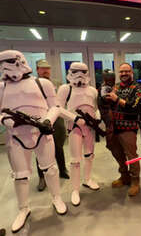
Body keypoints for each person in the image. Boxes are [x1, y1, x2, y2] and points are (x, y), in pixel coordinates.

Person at [0, 50, 79, 232]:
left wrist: (47, 121)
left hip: (42, 133)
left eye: (9, 61)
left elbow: (55, 107)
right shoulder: (2, 86)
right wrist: (5, 119)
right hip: (16, 136)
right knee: (20, 175)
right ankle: (23, 209)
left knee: (50, 169)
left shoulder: (42, 84)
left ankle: (56, 197)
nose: (5, 67)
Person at [57, 62, 101, 206]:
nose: (79, 75)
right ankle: (74, 189)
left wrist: (98, 117)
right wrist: (74, 118)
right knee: (75, 160)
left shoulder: (93, 90)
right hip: (74, 127)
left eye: (83, 71)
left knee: (89, 155)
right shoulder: (65, 89)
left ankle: (87, 179)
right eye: (75, 71)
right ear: (70, 72)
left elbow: (95, 107)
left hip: (90, 128)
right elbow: (57, 109)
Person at [105, 63, 141, 196]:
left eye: (126, 71)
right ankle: (124, 176)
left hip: (128, 127)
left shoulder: (137, 88)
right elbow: (107, 105)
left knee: (131, 156)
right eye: (121, 72)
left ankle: (135, 181)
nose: (124, 74)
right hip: (113, 127)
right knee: (118, 154)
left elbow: (134, 108)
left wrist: (117, 99)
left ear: (131, 72)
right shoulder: (114, 87)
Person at [35, 59, 69, 193]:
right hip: (40, 119)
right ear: (37, 69)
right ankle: (41, 177)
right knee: (40, 149)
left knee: (59, 146)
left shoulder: (57, 84)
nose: (45, 71)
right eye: (42, 68)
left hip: (57, 120)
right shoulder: (33, 84)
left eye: (47, 68)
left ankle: (63, 170)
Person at [98, 69, 115, 159]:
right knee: (110, 127)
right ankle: (110, 144)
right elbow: (106, 99)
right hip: (106, 111)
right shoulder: (104, 88)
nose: (110, 79)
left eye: (112, 78)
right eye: (108, 78)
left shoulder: (112, 86)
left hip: (111, 111)